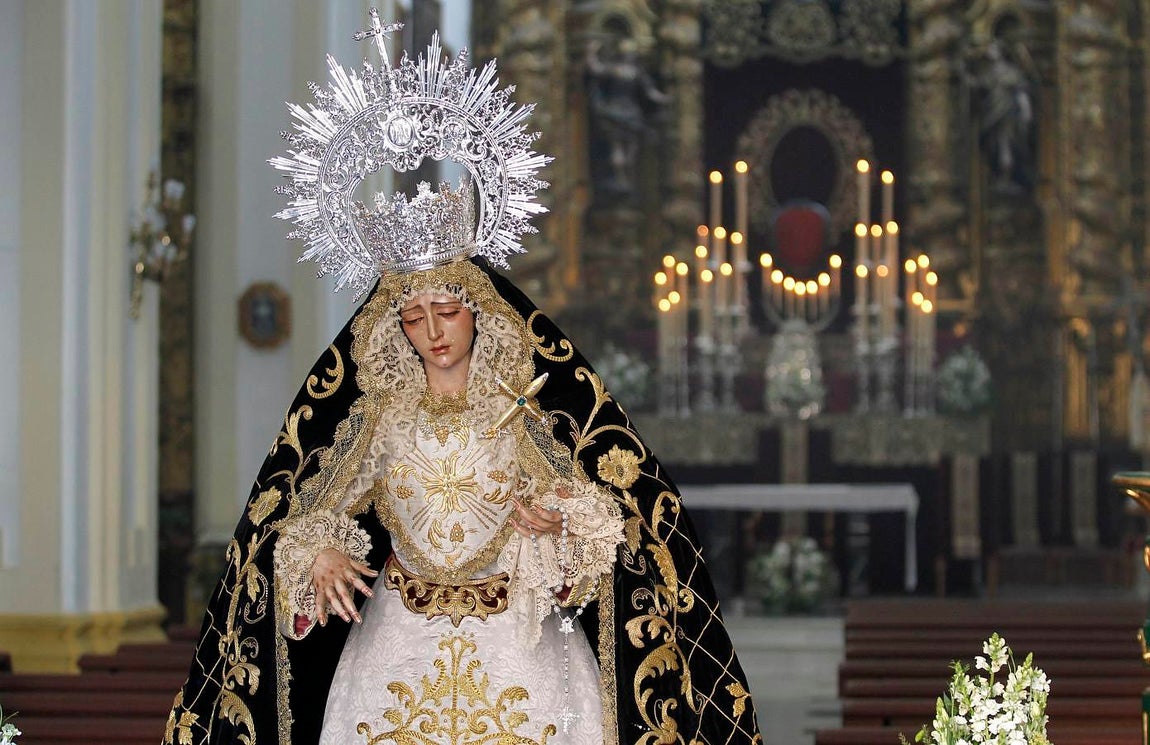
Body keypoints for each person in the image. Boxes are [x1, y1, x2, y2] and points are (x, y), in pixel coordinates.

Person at [164, 13, 762, 745]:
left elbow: (598, 524)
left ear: (479, 311)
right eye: (413, 318)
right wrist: (319, 552)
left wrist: (559, 521)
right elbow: (311, 510)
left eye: (447, 309)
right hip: (393, 653)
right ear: (395, 329)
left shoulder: (521, 407)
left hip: (521, 651)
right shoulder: (382, 415)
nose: (434, 331)